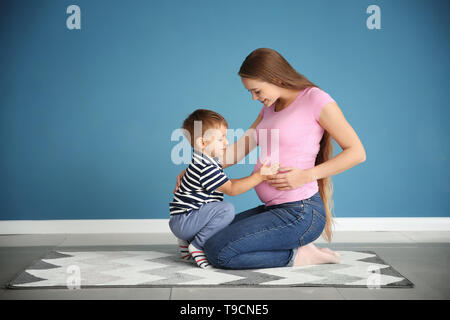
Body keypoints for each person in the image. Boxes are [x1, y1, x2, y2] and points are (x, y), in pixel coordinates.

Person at [174, 48, 366, 269]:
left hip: (300, 211)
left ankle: (299, 257)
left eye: (256, 91)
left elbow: (357, 152)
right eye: (251, 93)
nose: (254, 98)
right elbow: (238, 150)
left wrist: (305, 176)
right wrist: (196, 168)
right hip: (273, 209)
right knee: (207, 237)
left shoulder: (315, 99)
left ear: (275, 78)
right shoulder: (270, 109)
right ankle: (294, 247)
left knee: (218, 253)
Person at [169, 109, 278, 268]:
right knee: (225, 210)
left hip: (182, 220)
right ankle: (198, 245)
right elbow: (232, 188)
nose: (226, 142)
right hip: (184, 223)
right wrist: (259, 176)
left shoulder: (203, 162)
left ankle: (186, 241)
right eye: (221, 139)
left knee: (211, 208)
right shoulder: (205, 167)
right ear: (203, 143)